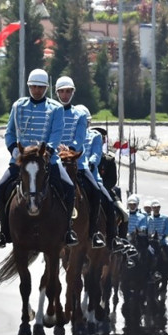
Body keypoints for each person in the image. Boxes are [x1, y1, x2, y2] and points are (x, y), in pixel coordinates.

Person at [0, 69, 77, 249]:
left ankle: (68, 230)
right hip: (21, 161)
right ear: (29, 87)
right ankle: (4, 231)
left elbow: (56, 133)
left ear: (46, 88)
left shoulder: (56, 108)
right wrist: (14, 151)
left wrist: (48, 152)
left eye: (40, 87)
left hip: (47, 160)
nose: (37, 90)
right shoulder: (18, 106)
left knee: (69, 188)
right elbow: (9, 133)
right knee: (0, 187)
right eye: (34, 87)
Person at [54, 77, 108, 249]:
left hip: (76, 161)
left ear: (73, 92)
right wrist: (54, 147)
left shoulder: (80, 115)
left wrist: (69, 149)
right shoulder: (50, 111)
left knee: (96, 191)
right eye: (62, 91)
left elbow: (79, 138)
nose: (65, 94)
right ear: (56, 93)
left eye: (68, 91)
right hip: (53, 159)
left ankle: (93, 233)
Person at [76, 105, 124, 250]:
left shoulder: (94, 136)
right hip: (70, 172)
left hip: (89, 174)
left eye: (85, 122)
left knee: (108, 202)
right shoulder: (67, 133)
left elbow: (96, 154)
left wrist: (91, 163)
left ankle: (110, 238)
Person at [146, 200, 168, 281]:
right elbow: (147, 228)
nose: (156, 209)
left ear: (159, 208)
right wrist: (149, 235)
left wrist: (163, 236)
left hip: (162, 242)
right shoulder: (148, 219)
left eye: (157, 207)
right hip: (151, 243)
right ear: (152, 209)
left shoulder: (165, 218)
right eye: (154, 208)